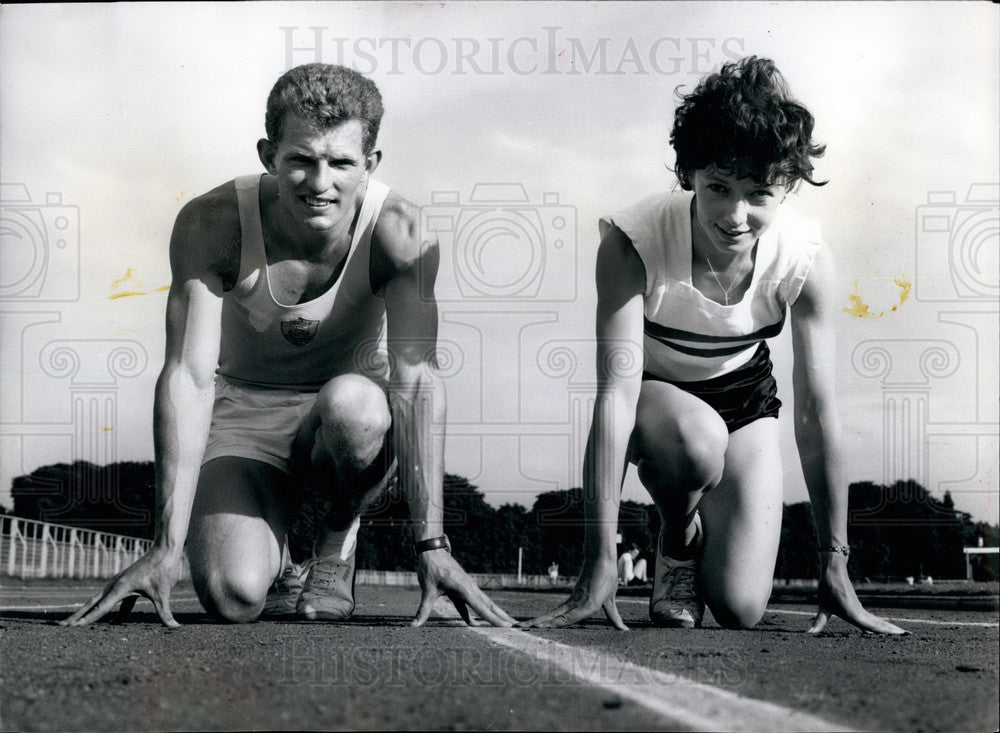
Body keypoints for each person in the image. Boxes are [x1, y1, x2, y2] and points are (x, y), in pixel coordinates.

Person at [61, 63, 515, 628]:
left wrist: (432, 545)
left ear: (370, 166)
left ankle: (335, 541)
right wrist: (166, 546)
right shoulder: (212, 222)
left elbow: (416, 379)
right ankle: (282, 563)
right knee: (232, 597)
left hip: (347, 411)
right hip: (245, 410)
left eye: (342, 163)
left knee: (356, 406)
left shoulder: (401, 232)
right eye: (301, 159)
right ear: (267, 154)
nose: (320, 182)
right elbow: (189, 377)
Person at [525, 57, 905, 634]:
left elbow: (817, 410)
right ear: (688, 174)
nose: (734, 214)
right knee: (695, 436)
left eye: (758, 193)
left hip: (744, 396)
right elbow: (615, 398)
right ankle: (676, 539)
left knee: (740, 608)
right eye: (717, 187)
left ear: (787, 187)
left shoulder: (805, 260)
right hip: (658, 400)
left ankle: (701, 540)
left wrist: (836, 560)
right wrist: (599, 561)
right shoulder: (634, 242)